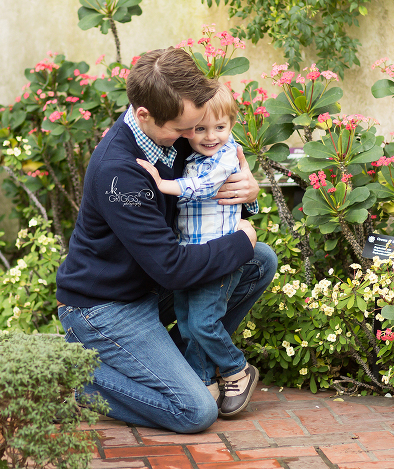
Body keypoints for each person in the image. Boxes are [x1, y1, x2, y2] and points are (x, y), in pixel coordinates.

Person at [55, 47, 276, 433]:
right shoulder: (120, 171)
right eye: (183, 128)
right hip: (105, 307)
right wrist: (243, 238)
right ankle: (71, 373)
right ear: (144, 115)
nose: (195, 135)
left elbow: (215, 182)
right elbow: (172, 268)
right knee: (195, 412)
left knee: (260, 261)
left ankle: (192, 365)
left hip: (148, 286)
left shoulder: (170, 130)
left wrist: (247, 195)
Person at [136, 84, 259, 418]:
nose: (210, 137)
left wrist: (163, 185)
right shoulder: (189, 155)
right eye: (200, 129)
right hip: (190, 255)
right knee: (188, 325)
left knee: (204, 324)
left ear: (232, 125)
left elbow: (204, 188)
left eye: (220, 128)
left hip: (220, 257)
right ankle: (204, 380)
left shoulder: (224, 156)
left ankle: (237, 369)